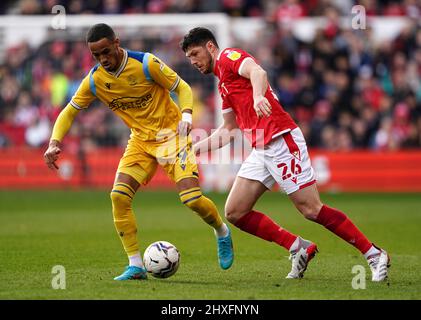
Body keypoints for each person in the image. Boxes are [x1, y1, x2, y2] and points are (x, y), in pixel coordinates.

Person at [180, 27, 390, 281]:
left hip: (280, 138)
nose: (193, 61)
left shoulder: (228, 57)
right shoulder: (223, 83)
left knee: (311, 209)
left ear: (210, 48)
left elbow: (258, 71)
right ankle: (298, 247)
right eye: (189, 57)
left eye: (195, 53)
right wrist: (191, 147)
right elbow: (228, 130)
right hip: (260, 147)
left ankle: (374, 254)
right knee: (235, 211)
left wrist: (258, 96)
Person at [43, 23, 234, 281]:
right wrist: (54, 141)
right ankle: (135, 265)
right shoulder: (95, 80)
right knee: (118, 197)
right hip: (140, 143)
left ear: (117, 43)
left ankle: (221, 231)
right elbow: (69, 111)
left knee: (191, 199)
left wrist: (187, 116)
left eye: (106, 52)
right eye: (96, 55)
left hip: (171, 137)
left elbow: (183, 88)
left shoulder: (146, 64)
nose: (103, 59)